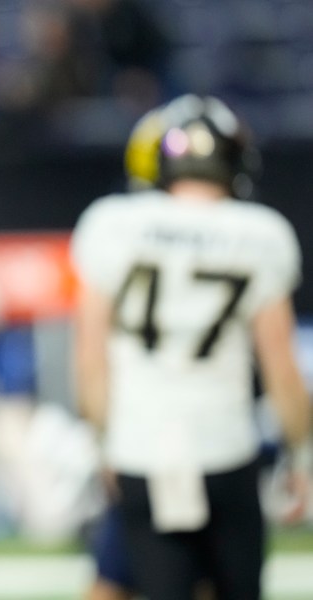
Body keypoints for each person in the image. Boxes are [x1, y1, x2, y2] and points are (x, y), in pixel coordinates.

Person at [71, 93, 312, 600]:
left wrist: (102, 442)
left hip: (142, 449)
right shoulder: (261, 234)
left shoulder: (112, 224)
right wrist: (303, 457)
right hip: (225, 445)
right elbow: (281, 370)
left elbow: (92, 359)